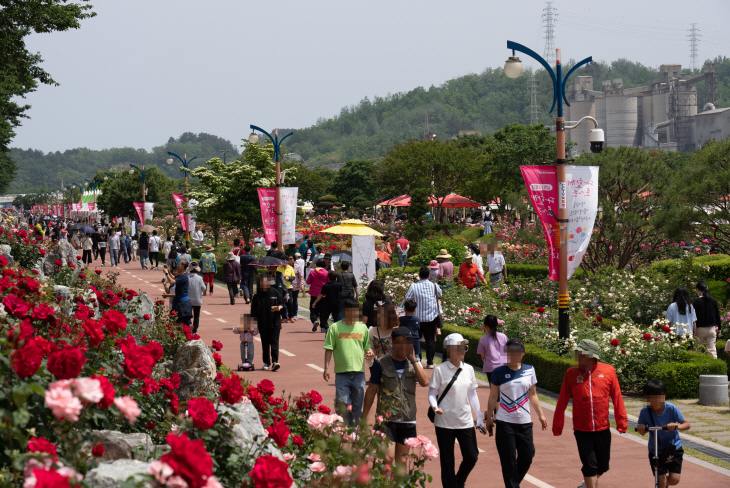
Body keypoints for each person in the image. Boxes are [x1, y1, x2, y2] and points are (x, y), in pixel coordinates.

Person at [553, 339, 628, 488]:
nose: (577, 357)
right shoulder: (571, 373)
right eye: (577, 353)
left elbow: (617, 397)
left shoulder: (608, 371)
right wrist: (557, 426)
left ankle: (585, 485)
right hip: (582, 430)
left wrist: (622, 422)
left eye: (581, 354)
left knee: (603, 466)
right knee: (590, 466)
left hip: (602, 428)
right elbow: (562, 400)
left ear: (591, 357)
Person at [485, 338, 548, 488]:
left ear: (523, 353)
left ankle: (512, 485)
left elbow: (533, 394)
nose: (514, 355)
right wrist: (488, 417)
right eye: (510, 352)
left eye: (517, 352)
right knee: (508, 460)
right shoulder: (498, 372)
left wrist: (541, 414)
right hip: (505, 422)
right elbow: (493, 395)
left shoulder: (529, 369)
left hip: (524, 422)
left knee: (527, 457)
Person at [362, 326, 429, 466]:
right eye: (402, 342)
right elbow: (372, 390)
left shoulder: (414, 364)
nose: (406, 346)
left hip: (408, 419)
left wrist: (414, 360)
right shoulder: (381, 363)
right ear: (393, 342)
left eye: (408, 342)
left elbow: (425, 382)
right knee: (387, 458)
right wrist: (364, 416)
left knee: (401, 463)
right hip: (386, 419)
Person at [429, 333, 485, 488]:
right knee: (447, 462)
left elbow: (472, 395)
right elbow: (432, 394)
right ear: (449, 350)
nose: (463, 350)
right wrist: (435, 407)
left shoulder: (469, 369)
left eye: (464, 347)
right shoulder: (440, 370)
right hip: (444, 422)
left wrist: (479, 416)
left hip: (465, 421)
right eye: (459, 347)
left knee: (472, 456)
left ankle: (458, 481)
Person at [323, 298, 374, 426]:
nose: (354, 314)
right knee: (342, 404)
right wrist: (326, 368)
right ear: (345, 311)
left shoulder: (363, 328)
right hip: (341, 373)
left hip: (359, 373)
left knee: (358, 404)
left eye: (356, 311)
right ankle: (343, 429)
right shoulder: (335, 328)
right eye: (351, 311)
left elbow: (367, 346)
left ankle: (354, 429)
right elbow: (329, 348)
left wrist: (369, 352)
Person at [637, 379, 691, 488]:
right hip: (655, 450)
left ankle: (662, 484)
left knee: (674, 480)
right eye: (653, 397)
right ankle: (661, 484)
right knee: (661, 480)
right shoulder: (645, 411)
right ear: (647, 398)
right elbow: (641, 430)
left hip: (673, 448)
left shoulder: (671, 408)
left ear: (664, 396)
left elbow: (687, 424)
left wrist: (677, 426)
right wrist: (641, 428)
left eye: (660, 396)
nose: (657, 400)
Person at [404, 267, 442, 369]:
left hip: (417, 318)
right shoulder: (434, 285)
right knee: (430, 340)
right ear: (429, 276)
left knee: (416, 339)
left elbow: (407, 299)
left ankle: (418, 360)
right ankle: (430, 362)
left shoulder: (414, 286)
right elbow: (440, 294)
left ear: (419, 276)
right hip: (431, 317)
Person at [251, 274, 285, 371]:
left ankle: (275, 361)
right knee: (265, 344)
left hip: (275, 322)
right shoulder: (257, 296)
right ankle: (266, 362)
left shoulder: (275, 292)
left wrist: (278, 308)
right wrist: (252, 325)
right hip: (263, 323)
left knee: (274, 342)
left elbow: (282, 304)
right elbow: (253, 312)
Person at [477, 315, 508, 384]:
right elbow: (506, 352)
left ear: (487, 326)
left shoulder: (483, 340)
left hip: (490, 368)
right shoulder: (503, 337)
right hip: (503, 367)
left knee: (493, 390)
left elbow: (483, 357)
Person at [692, 281, 720, 357]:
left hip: (700, 329)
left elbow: (693, 318)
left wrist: (693, 331)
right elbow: (717, 315)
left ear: (697, 289)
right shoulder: (713, 301)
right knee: (712, 350)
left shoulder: (697, 302)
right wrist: (719, 329)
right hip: (711, 329)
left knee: (697, 350)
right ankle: (715, 366)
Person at [163, 259, 193, 327]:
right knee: (177, 321)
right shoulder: (181, 275)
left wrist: (166, 273)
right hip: (179, 301)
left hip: (183, 303)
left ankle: (190, 334)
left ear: (183, 266)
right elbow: (173, 277)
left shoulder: (184, 276)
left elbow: (172, 281)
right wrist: (168, 271)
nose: (177, 265)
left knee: (183, 323)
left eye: (179, 264)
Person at [307, 258, 330, 332]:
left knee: (313, 309)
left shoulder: (313, 272)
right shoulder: (327, 273)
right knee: (323, 311)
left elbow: (308, 282)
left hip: (314, 294)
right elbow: (329, 282)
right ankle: (323, 327)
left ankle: (314, 321)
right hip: (323, 294)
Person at [188, 261, 207, 335]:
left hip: (188, 300)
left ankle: (189, 327)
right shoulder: (199, 278)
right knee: (196, 316)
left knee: (188, 315)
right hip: (197, 300)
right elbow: (204, 288)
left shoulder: (186, 277)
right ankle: (195, 329)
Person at [289, 255, 304, 322]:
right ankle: (289, 314)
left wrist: (302, 285)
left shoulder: (297, 267)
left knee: (294, 301)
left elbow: (301, 276)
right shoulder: (286, 267)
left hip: (295, 286)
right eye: (288, 259)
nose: (290, 260)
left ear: (294, 259)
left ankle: (295, 314)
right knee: (288, 301)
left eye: (291, 259)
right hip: (288, 286)